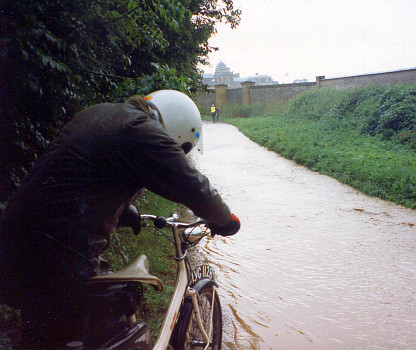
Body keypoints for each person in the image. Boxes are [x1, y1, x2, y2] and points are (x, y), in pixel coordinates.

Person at [0, 90, 240, 349]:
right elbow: (194, 186)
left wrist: (124, 210)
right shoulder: (143, 131)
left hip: (16, 239)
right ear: (178, 131)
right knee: (78, 335)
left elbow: (81, 178)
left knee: (44, 333)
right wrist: (226, 220)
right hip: (59, 250)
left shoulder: (101, 114)